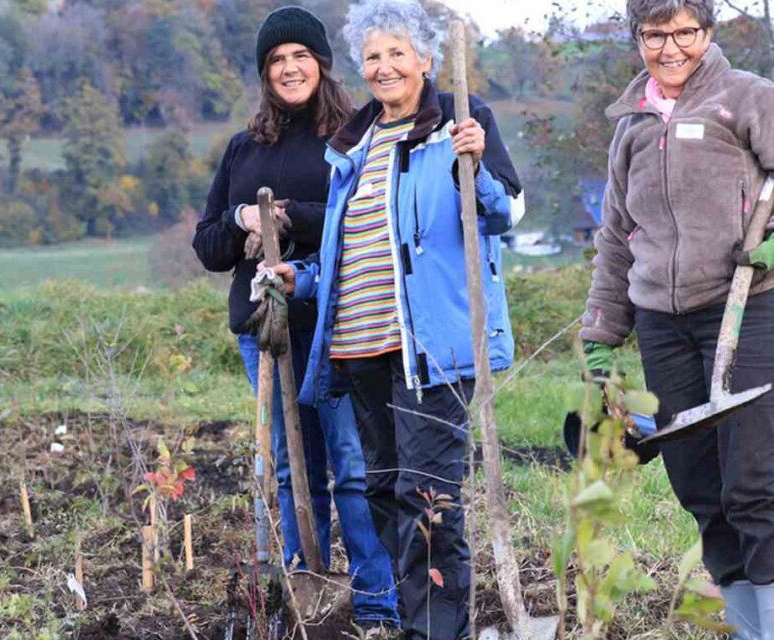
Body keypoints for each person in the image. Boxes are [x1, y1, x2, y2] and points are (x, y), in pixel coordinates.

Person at [580, 1, 774, 638]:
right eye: (655, 34)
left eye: (685, 33)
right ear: (637, 38)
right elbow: (618, 238)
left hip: (749, 307)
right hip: (662, 325)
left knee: (753, 482)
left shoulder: (748, 99)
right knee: (702, 487)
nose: (671, 48)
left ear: (707, 33)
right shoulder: (632, 127)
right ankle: (753, 629)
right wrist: (600, 333)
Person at [265, 1, 524, 637]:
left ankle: (440, 631)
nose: (384, 68)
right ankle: (417, 624)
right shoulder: (351, 147)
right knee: (383, 492)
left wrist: (477, 164)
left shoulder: (461, 123)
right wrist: (304, 279)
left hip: (431, 352)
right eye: (373, 57)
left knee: (428, 501)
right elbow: (349, 252)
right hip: (359, 351)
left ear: (427, 60)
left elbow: (504, 215)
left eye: (397, 54)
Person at [191, 6, 399, 631]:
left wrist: (291, 218)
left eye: (300, 56)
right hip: (267, 330)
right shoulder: (243, 148)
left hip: (339, 325)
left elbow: (362, 218)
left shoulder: (353, 139)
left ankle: (375, 604)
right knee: (291, 467)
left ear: (322, 64)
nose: (289, 68)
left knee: (352, 467)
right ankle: (303, 589)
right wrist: (241, 221)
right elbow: (207, 246)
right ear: (264, 74)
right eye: (276, 60)